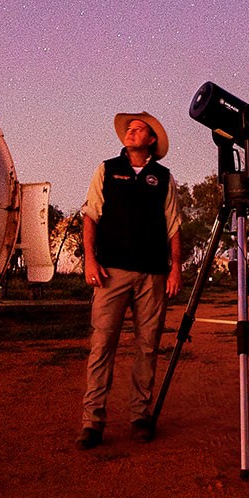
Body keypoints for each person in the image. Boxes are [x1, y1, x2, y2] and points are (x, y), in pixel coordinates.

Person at [78, 112, 186, 449]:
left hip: (152, 273)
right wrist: (90, 259)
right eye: (129, 128)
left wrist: (175, 267)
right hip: (112, 272)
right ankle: (93, 421)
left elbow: (173, 225)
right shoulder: (107, 170)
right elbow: (91, 216)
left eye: (138, 129)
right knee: (102, 345)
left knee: (147, 346)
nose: (131, 131)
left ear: (151, 140)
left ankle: (140, 416)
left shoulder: (163, 177)